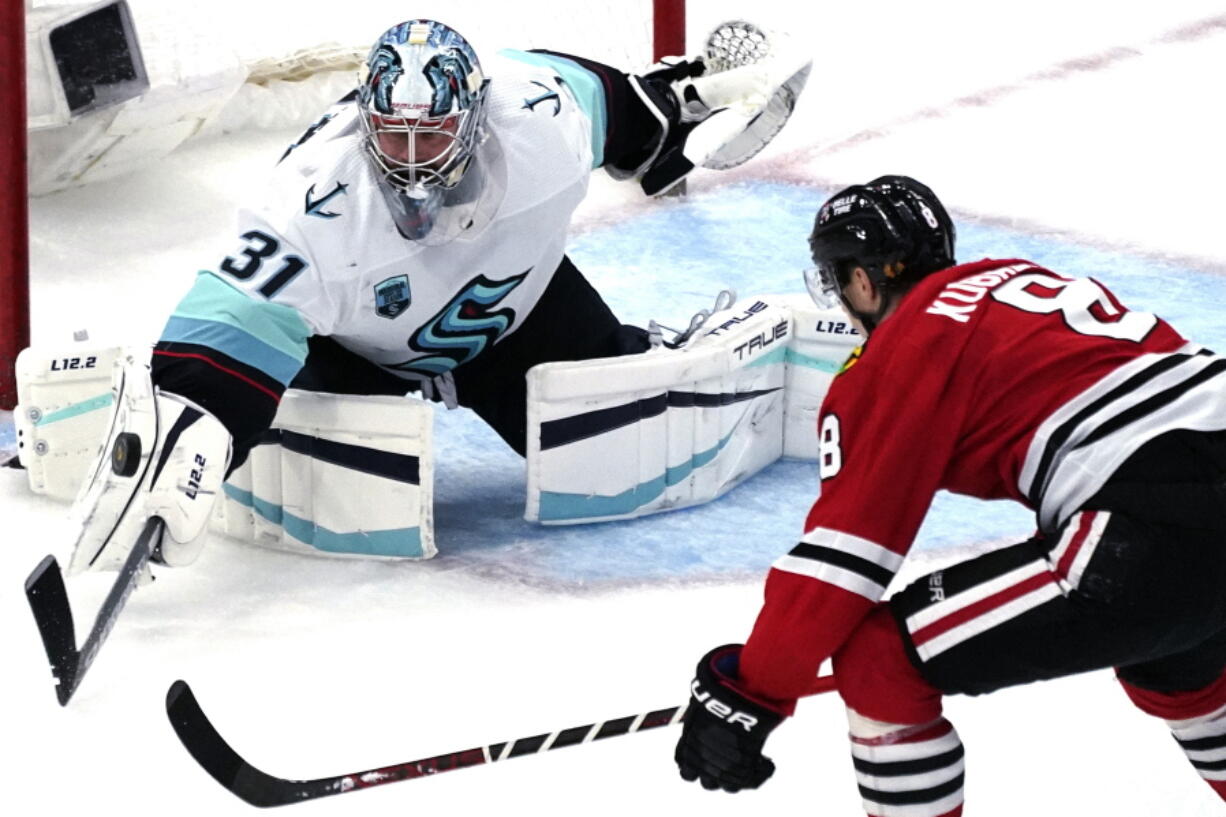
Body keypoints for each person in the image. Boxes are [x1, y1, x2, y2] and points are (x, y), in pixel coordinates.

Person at [64, 18, 809, 572]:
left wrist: (680, 100)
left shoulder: (540, 120)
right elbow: (227, 323)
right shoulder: (312, 209)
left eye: (433, 135)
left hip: (519, 314)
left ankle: (668, 348)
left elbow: (620, 106)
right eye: (392, 136)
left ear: (477, 116)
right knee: (346, 493)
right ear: (365, 122)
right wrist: (190, 429)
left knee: (613, 463)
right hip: (360, 351)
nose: (414, 161)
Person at [672, 175, 1226, 815]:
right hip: (1187, 484)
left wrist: (754, 689)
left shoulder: (899, 353)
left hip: (1154, 525)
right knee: (1178, 661)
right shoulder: (1018, 280)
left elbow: (844, 561)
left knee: (881, 660)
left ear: (861, 280)